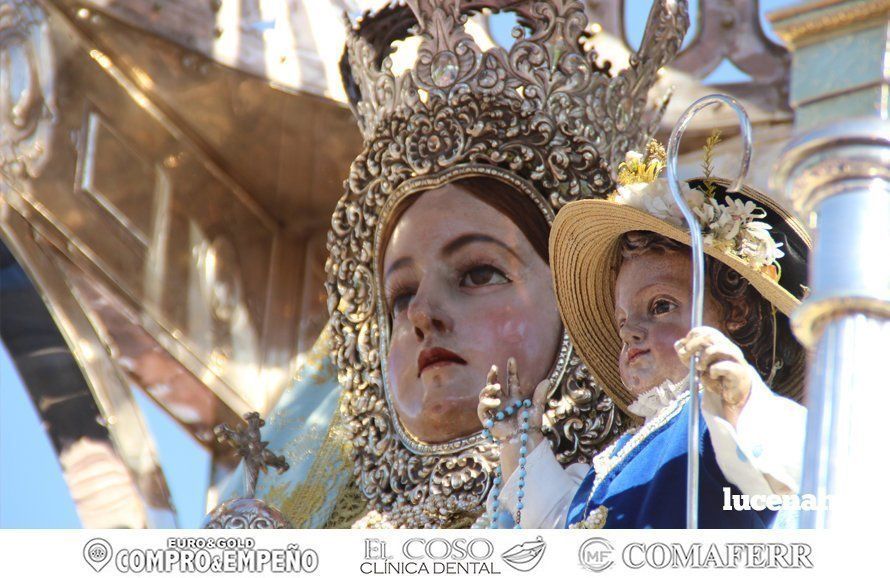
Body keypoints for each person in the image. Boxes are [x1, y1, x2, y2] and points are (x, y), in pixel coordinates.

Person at [326, 0, 689, 527]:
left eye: (477, 273)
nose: (422, 314)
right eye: (400, 295)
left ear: (580, 306)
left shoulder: (645, 491)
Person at [478, 143, 811, 528]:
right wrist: (519, 439)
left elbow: (787, 462)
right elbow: (557, 526)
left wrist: (742, 398)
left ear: (736, 312)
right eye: (622, 324)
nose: (632, 332)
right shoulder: (615, 460)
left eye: (660, 307)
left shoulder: (735, 419)